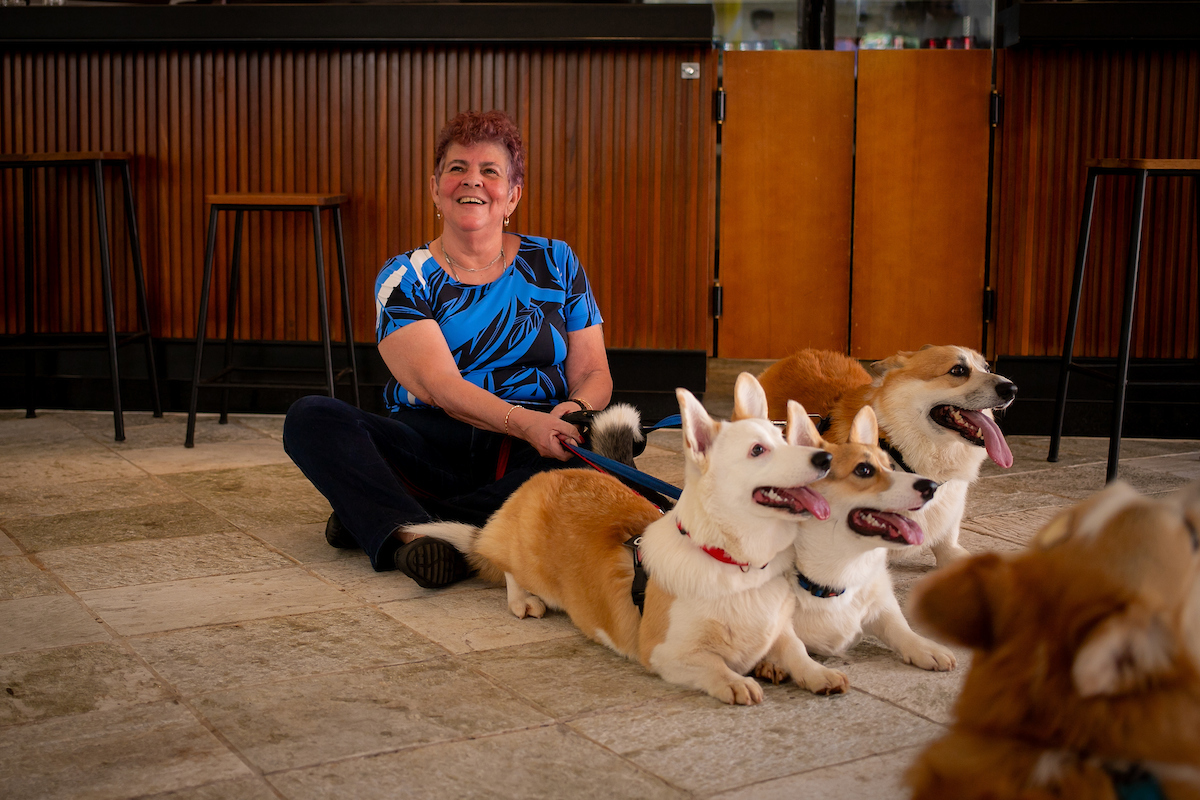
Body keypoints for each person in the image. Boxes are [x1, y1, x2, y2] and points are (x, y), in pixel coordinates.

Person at [283, 109, 613, 589]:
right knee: (311, 417)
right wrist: (527, 422)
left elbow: (595, 372)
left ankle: (392, 522)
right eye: (457, 168)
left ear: (512, 196)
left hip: (532, 446)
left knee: (607, 454)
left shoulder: (557, 261)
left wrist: (574, 410)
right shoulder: (405, 276)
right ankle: (429, 534)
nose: (471, 181)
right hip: (432, 446)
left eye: (489, 171)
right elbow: (440, 387)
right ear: (435, 188)